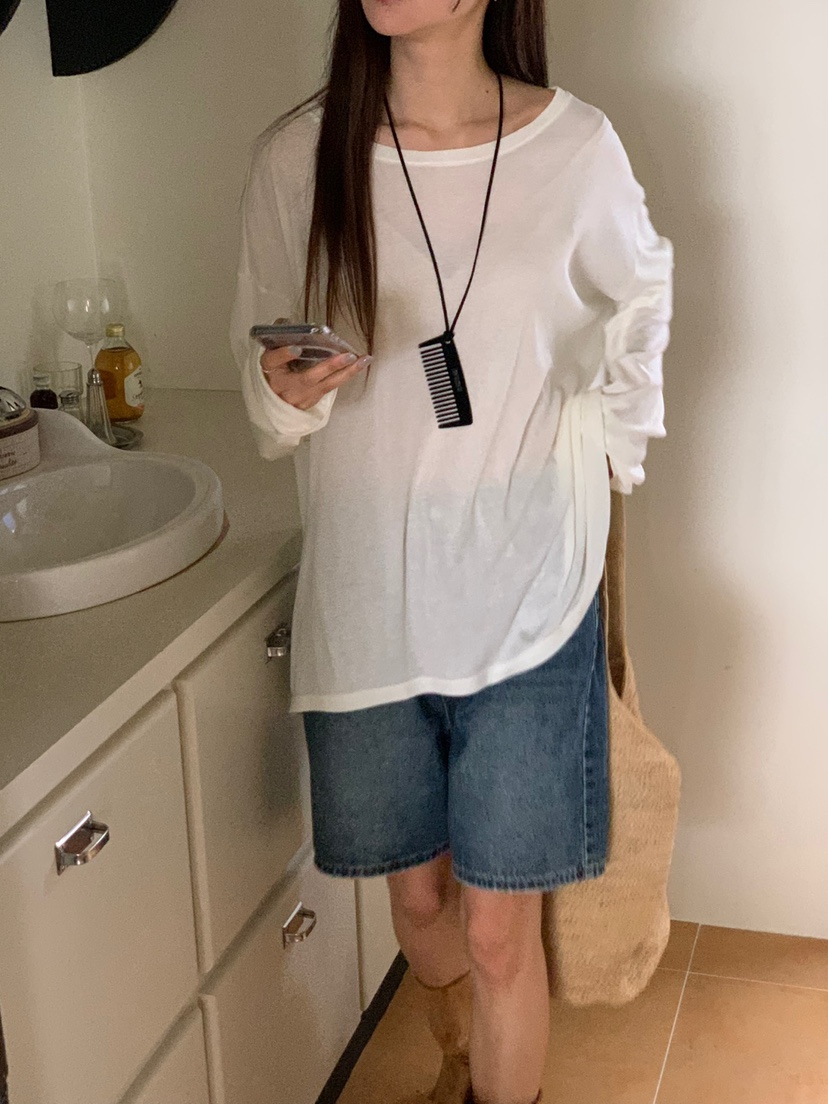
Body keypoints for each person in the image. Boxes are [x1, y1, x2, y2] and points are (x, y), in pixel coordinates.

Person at [230, 2, 673, 1101]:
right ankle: (464, 1060)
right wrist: (282, 392)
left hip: (529, 599)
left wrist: (616, 452)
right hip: (369, 603)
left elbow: (641, 293)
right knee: (420, 901)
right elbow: (264, 393)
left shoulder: (575, 148)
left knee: (498, 929)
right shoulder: (298, 159)